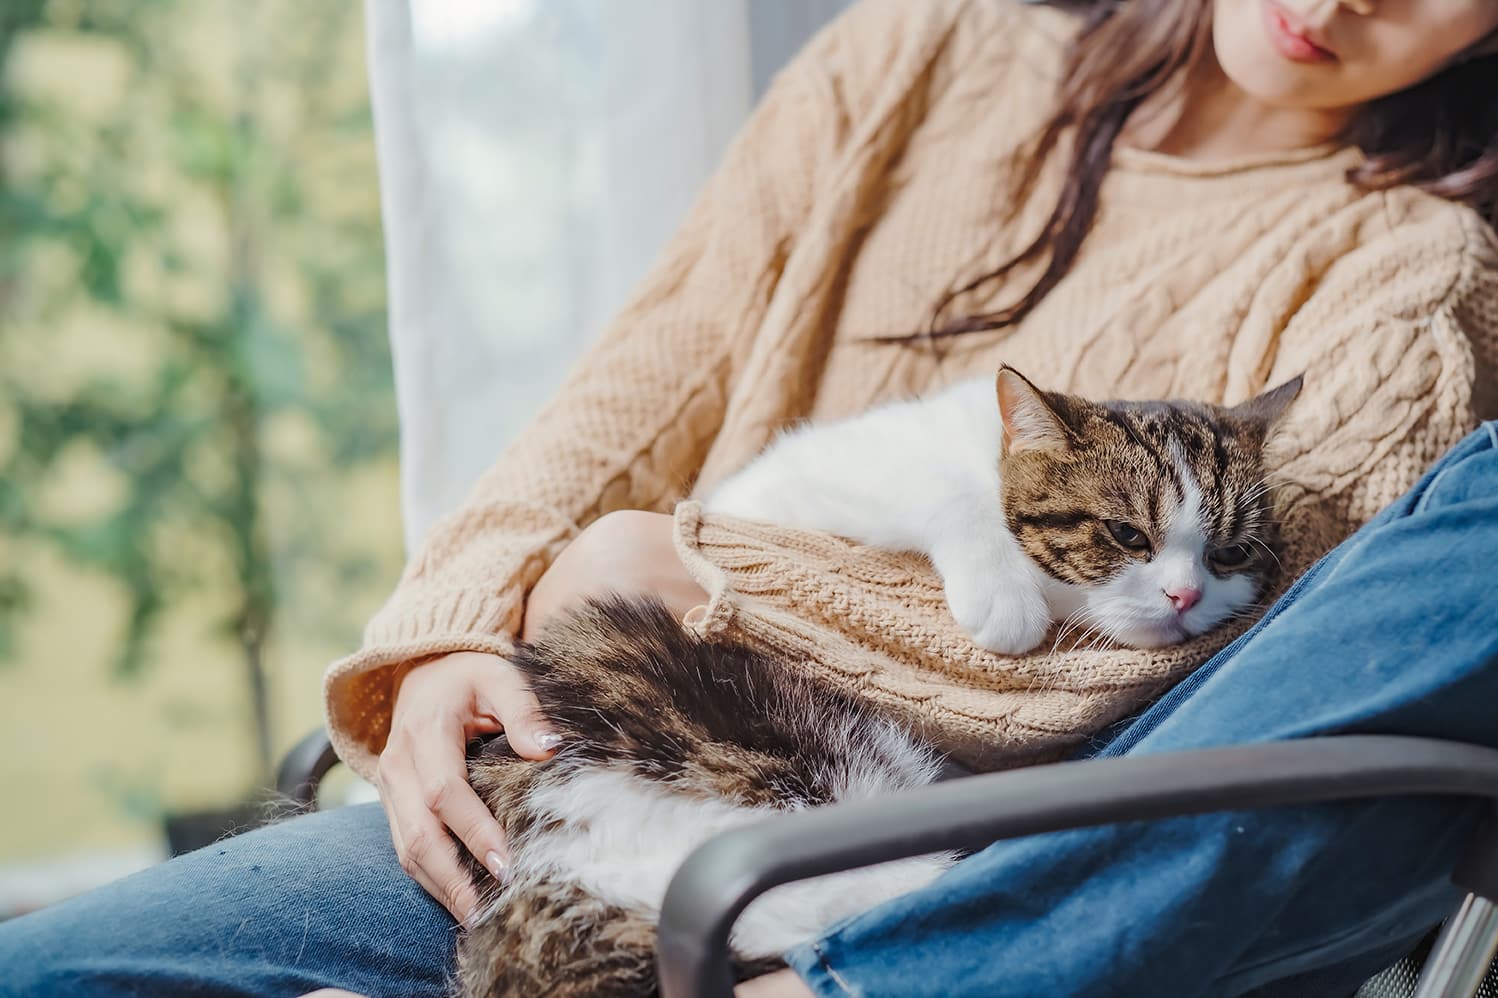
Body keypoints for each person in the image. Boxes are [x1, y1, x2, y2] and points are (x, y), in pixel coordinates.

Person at [3, 0, 1497, 995]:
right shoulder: (920, 53)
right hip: (589, 758)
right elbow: (656, 368)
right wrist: (449, 627)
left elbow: (1196, 685)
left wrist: (697, 573)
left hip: (885, 860)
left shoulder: (1406, 282)